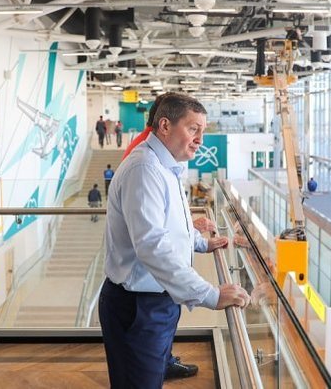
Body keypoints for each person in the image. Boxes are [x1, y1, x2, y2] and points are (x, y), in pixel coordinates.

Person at [98, 93, 250, 388]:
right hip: (139, 307)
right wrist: (210, 295)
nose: (200, 139)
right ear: (165, 126)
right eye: (193, 129)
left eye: (202, 131)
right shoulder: (145, 169)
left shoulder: (164, 165)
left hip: (157, 300)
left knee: (151, 375)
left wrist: (200, 243)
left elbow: (169, 224)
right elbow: (152, 245)